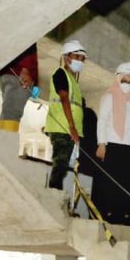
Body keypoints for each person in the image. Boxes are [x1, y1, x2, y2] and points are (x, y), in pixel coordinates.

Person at [94, 62, 130, 225]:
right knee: (111, 181)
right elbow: (102, 121)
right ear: (118, 79)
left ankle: (122, 215)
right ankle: (109, 214)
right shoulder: (109, 96)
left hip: (129, 148)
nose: (128, 85)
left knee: (126, 183)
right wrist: (101, 143)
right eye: (124, 80)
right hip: (112, 144)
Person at [45, 40, 86, 191]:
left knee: (62, 167)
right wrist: (72, 126)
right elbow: (63, 99)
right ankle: (53, 196)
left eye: (82, 58)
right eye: (77, 57)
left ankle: (55, 194)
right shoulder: (60, 74)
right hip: (63, 128)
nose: (80, 61)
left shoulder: (74, 81)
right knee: (60, 164)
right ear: (66, 57)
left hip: (68, 130)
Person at [0, 44, 38, 132]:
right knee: (11, 114)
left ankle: (2, 139)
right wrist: (26, 69)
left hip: (10, 73)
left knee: (8, 112)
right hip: (18, 74)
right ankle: (5, 140)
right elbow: (26, 39)